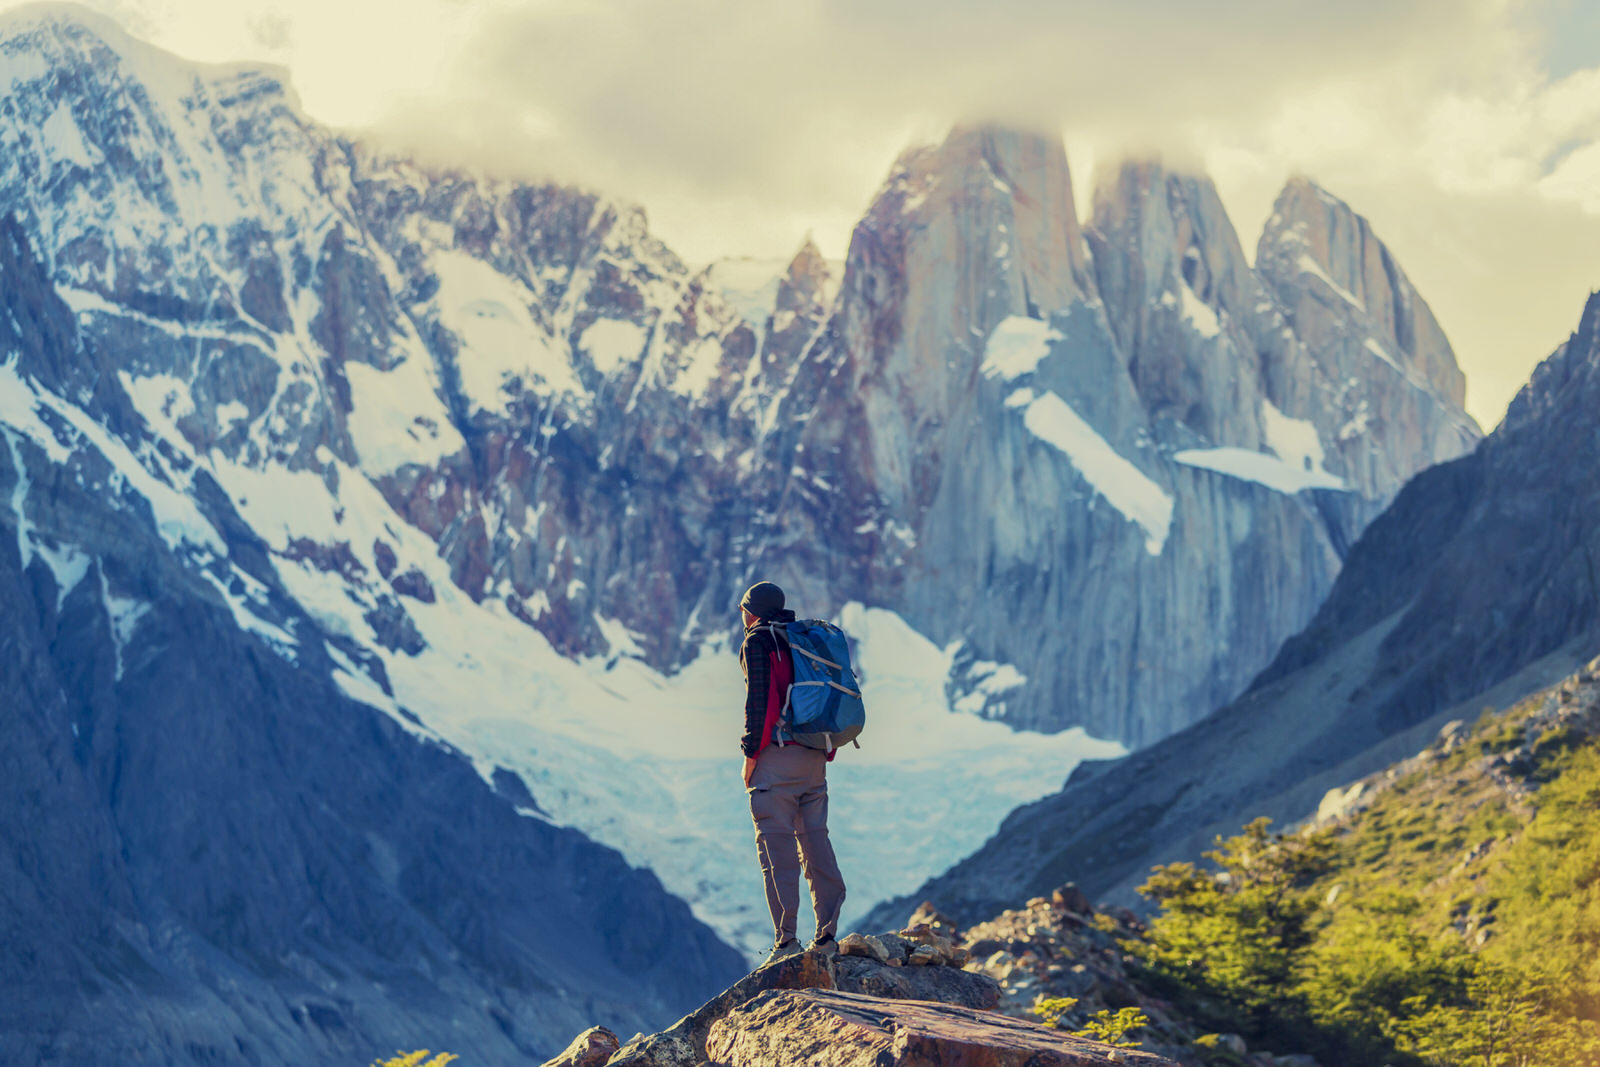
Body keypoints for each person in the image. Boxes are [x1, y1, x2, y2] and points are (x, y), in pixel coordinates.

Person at [738, 580, 847, 965]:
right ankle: (829, 933)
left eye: (743, 609)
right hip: (815, 755)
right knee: (816, 839)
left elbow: (760, 704)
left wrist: (751, 754)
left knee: (777, 847)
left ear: (753, 611)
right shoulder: (804, 638)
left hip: (777, 759)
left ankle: (786, 943)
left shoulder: (758, 641)